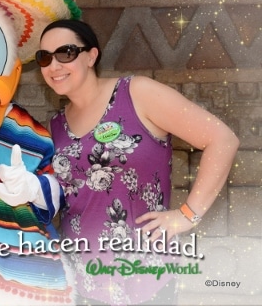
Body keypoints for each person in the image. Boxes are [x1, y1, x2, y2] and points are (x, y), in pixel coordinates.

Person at [36, 19, 239, 305]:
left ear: (92, 55)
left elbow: (222, 139)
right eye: (44, 58)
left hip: (146, 280)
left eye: (65, 53)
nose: (54, 65)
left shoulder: (136, 93)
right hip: (82, 282)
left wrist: (187, 215)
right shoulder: (54, 126)